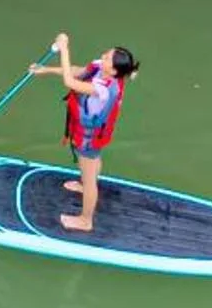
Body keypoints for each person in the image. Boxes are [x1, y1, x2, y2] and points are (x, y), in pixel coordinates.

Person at [33, 33, 139, 232]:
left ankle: (85, 220)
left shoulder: (104, 89)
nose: (103, 56)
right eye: (107, 54)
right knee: (92, 165)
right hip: (90, 133)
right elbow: (77, 71)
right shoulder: (103, 68)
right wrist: (46, 69)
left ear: (114, 70)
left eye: (108, 57)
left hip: (90, 138)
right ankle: (84, 185)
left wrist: (64, 49)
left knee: (90, 179)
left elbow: (70, 83)